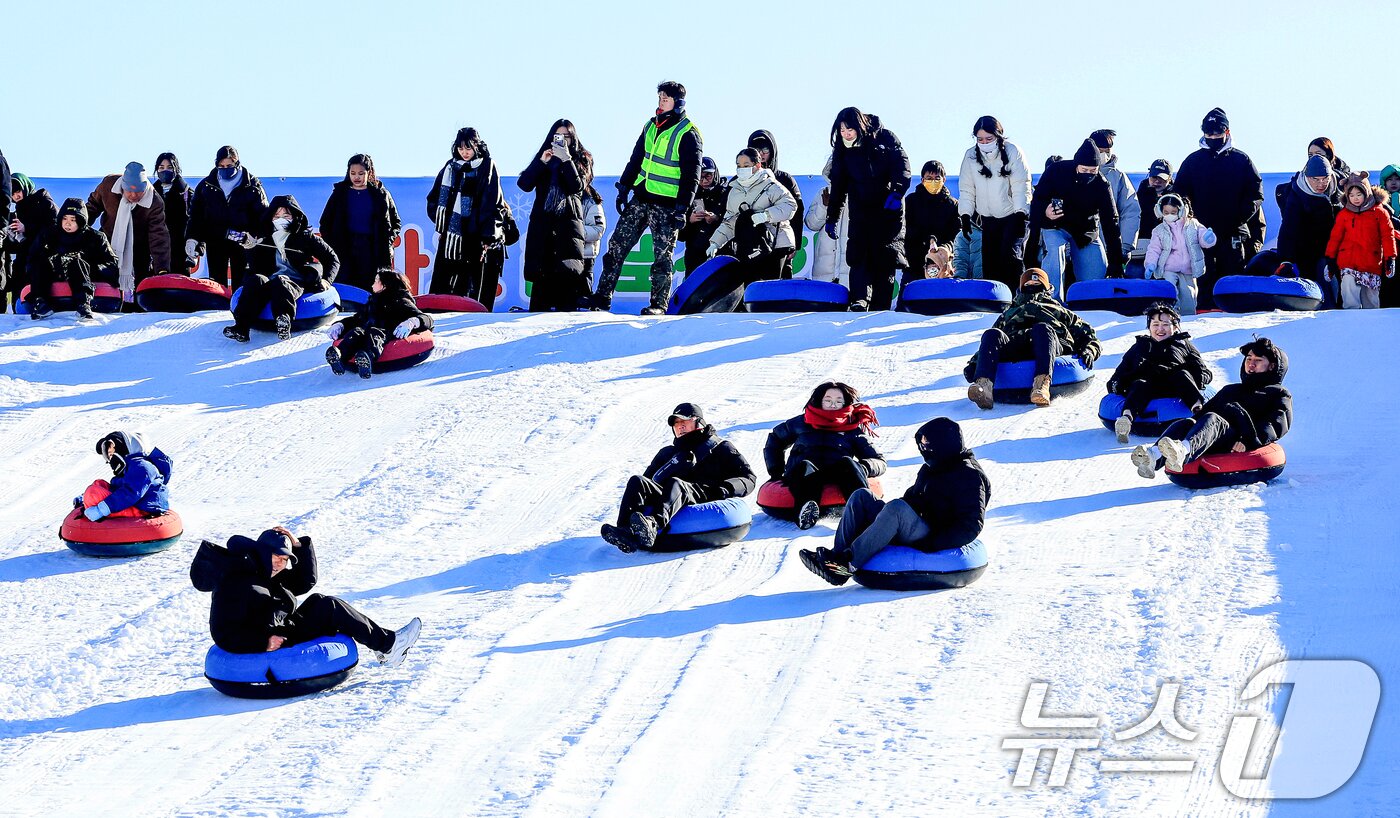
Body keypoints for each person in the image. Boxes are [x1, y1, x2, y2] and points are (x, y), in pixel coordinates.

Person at [798, 417, 989, 586]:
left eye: (928, 443)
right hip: (918, 523)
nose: (924, 448)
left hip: (932, 533)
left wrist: (933, 544)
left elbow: (972, 524)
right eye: (922, 443)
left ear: (944, 444)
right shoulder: (933, 467)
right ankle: (836, 558)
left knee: (897, 509)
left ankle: (848, 563)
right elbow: (913, 498)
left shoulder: (969, 476)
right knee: (861, 496)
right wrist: (887, 515)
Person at [198, 525, 421, 665]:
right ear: (263, 552)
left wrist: (299, 545)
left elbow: (305, 582)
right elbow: (222, 631)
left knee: (322, 602)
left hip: (282, 628)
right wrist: (262, 642)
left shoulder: (266, 575)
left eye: (285, 560)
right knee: (329, 608)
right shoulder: (237, 581)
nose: (281, 564)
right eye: (277, 557)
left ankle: (383, 646)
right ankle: (390, 645)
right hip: (271, 640)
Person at [589, 81, 703, 314]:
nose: (661, 101)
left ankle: (658, 305)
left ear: (678, 103)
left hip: (667, 205)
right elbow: (636, 158)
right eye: (660, 97)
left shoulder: (688, 132)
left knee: (662, 257)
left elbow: (692, 174)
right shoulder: (651, 126)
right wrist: (624, 187)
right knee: (616, 247)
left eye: (666, 98)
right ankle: (602, 298)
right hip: (641, 198)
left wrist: (683, 207)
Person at [600, 402, 757, 553]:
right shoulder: (667, 453)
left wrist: (724, 489)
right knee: (637, 481)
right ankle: (625, 531)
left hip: (706, 493)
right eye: (676, 423)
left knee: (677, 483)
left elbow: (749, 477)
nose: (680, 426)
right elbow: (647, 481)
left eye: (685, 421)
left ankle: (654, 525)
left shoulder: (720, 447)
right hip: (671, 498)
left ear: (699, 423)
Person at [1132, 338, 1290, 479]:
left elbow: (1275, 424)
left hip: (1242, 438)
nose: (1251, 364)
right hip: (1213, 438)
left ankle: (1183, 451)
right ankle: (1153, 457)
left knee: (1213, 418)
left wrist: (1248, 441)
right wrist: (1189, 425)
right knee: (1186, 422)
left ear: (1272, 366)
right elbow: (1201, 414)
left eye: (1258, 360)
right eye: (1248, 358)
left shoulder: (1278, 394)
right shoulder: (1231, 390)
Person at [964, 267, 1101, 409]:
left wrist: (1090, 350)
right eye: (1028, 285)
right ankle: (983, 386)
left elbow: (1090, 337)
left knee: (1042, 328)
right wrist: (975, 363)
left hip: (1050, 345)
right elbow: (991, 342)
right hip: (1016, 346)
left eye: (1037, 285)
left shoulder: (1060, 311)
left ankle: (1041, 385)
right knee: (992, 333)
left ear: (1046, 287)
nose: (1032, 288)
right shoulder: (1009, 313)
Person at [1172, 108, 1263, 310]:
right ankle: (1203, 313)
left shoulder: (1242, 160)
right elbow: (1179, 192)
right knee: (1202, 278)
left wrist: (1238, 218)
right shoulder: (1193, 161)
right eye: (1209, 133)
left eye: (1217, 133)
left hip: (1233, 232)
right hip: (1199, 233)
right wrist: (1189, 216)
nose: (1213, 137)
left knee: (1231, 280)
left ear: (1227, 132)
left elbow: (1255, 194)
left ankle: (1230, 319)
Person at [764, 382, 887, 530]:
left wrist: (863, 468)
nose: (833, 405)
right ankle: (807, 510)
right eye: (828, 400)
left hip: (836, 474)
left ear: (845, 403)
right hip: (804, 474)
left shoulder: (852, 428)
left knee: (848, 463)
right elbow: (775, 440)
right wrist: (775, 471)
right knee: (804, 465)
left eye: (838, 401)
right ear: (819, 400)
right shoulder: (802, 422)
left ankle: (864, 512)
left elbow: (878, 461)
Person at [824, 107, 912, 311]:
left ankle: (880, 306)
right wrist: (832, 217)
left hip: (888, 207)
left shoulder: (885, 137)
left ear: (860, 126)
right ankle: (859, 300)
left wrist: (897, 192)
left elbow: (902, 167)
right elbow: (838, 185)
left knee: (885, 256)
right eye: (842, 130)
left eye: (850, 129)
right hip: (860, 207)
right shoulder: (842, 149)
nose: (846, 134)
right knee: (858, 254)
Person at [223, 195, 339, 342]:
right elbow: (256, 266)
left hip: (295, 281)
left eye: (286, 215)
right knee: (255, 280)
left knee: (281, 281)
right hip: (269, 279)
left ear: (295, 216)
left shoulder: (305, 236)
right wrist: (250, 248)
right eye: (276, 215)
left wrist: (326, 280)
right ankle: (241, 328)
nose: (281, 219)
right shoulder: (264, 237)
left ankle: (283, 321)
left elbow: (332, 258)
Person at [1025, 139, 1125, 296]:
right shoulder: (1056, 171)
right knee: (1054, 253)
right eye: (1084, 169)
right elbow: (1037, 199)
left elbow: (1111, 221)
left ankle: (1091, 301)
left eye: (1093, 171)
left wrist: (1116, 262)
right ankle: (1052, 298)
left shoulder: (1101, 184)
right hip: (1055, 225)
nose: (1088, 174)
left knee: (1096, 272)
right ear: (1076, 164)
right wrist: (1045, 211)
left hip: (1085, 231)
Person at [1105, 304, 1212, 442]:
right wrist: (1120, 383)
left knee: (1182, 375)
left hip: (1175, 387)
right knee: (1139, 384)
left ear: (1175, 327)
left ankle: (1198, 413)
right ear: (1149, 327)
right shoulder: (1140, 346)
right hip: (1148, 386)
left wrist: (1195, 377)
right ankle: (1125, 420)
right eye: (1155, 324)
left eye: (1165, 325)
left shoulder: (1183, 344)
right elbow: (1118, 376)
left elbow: (1205, 372)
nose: (1160, 329)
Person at [518, 120, 590, 311]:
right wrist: (541, 162)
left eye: (566, 136)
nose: (562, 140)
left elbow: (577, 186)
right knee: (541, 289)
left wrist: (566, 160)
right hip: (543, 227)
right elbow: (524, 184)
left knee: (567, 286)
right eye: (558, 136)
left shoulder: (581, 158)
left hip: (567, 227)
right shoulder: (544, 158)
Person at [427, 127, 504, 303]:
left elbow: (491, 203)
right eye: (461, 148)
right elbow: (434, 199)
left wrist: (486, 236)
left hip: (474, 236)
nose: (464, 152)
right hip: (450, 237)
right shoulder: (449, 166)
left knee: (469, 285)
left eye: (468, 148)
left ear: (476, 146)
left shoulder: (486, 165)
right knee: (443, 283)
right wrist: (444, 224)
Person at [957, 115, 1032, 291]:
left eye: (989, 139)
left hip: (1013, 216)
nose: (984, 143)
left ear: (998, 136)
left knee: (1010, 257)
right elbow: (967, 189)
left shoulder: (1013, 152)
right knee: (990, 262)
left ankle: (1018, 297)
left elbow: (1021, 185)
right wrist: (966, 215)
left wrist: (1022, 213)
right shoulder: (970, 156)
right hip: (989, 219)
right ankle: (996, 302)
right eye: (980, 139)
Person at [705, 148, 797, 285]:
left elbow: (790, 205)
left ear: (757, 165)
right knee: (751, 287)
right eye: (738, 165)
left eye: (746, 166)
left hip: (776, 245)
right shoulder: (734, 191)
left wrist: (766, 215)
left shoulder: (771, 185)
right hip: (751, 246)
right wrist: (715, 243)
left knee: (770, 288)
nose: (741, 169)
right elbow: (730, 221)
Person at [85, 161, 172, 300]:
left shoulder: (154, 202)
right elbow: (91, 208)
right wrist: (77, 227)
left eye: (138, 192)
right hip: (108, 243)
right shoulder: (108, 185)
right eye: (129, 191)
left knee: (139, 288)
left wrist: (162, 269)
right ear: (122, 187)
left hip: (138, 250)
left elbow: (159, 237)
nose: (132, 195)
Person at [325, 267, 434, 378]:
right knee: (357, 332)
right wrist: (340, 325)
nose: (372, 284)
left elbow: (426, 318)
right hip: (369, 331)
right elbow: (358, 319)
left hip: (390, 333)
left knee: (375, 333)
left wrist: (412, 322)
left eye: (376, 281)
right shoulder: (373, 301)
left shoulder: (400, 300)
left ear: (384, 285)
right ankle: (340, 356)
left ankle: (367, 359)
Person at [187, 146, 268, 291]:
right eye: (221, 166)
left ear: (237, 164)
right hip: (216, 239)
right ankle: (217, 310)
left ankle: (240, 308)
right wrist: (192, 238)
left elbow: (263, 215)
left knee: (242, 281)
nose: (225, 169)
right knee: (217, 283)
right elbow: (196, 216)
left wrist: (255, 236)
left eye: (229, 166)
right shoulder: (206, 186)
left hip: (243, 242)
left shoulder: (252, 185)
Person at [318, 154, 402, 293]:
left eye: (361, 173)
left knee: (371, 285)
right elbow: (325, 222)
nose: (357, 177)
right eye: (353, 173)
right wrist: (333, 243)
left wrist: (387, 242)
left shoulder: (380, 194)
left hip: (372, 247)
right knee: (345, 283)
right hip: (345, 246)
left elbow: (395, 223)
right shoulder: (340, 194)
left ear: (369, 173)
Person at [28, 198, 118, 319]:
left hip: (86, 276)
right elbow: (32, 259)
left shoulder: (95, 238)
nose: (67, 223)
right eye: (65, 219)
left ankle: (84, 304)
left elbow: (112, 264)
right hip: (53, 276)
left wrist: (91, 266)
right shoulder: (48, 235)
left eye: (73, 220)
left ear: (80, 221)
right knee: (41, 262)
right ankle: (41, 302)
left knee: (76, 262)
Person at [1275, 154, 1342, 306]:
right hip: (1307, 252)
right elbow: (1288, 231)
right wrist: (1286, 260)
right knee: (1321, 271)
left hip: (1336, 251)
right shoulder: (1297, 195)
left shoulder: (1339, 192)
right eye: (1316, 179)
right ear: (1307, 177)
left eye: (1325, 178)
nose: (1321, 183)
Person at [1325, 172, 1397, 310]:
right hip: (1348, 261)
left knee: (1370, 300)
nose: (1355, 199)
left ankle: (1371, 323)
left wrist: (1390, 258)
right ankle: (1350, 317)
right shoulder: (1344, 215)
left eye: (1359, 194)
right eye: (1351, 195)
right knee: (1348, 287)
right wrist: (1330, 259)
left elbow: (1388, 236)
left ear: (1367, 192)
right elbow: (1335, 238)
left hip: (1371, 262)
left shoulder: (1379, 213)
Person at [1143, 192, 1217, 315]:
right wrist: (1150, 264)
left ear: (1182, 210)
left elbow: (1203, 238)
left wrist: (1208, 238)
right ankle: (1170, 313)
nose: (1169, 216)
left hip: (1189, 269)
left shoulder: (1193, 225)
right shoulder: (1159, 230)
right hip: (1169, 268)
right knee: (1170, 290)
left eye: (1173, 213)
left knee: (1189, 295)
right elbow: (1154, 249)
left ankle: (1188, 318)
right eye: (1166, 213)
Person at [76, 431, 173, 521]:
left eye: (111, 453)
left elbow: (131, 492)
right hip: (134, 504)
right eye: (108, 456)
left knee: (93, 493)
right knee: (99, 483)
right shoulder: (130, 466)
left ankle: (95, 511)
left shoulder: (141, 466)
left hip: (143, 510)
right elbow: (117, 489)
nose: (110, 459)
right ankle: (86, 503)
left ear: (121, 448)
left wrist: (100, 510)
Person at [747, 129, 805, 278]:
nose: (761, 154)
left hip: (780, 246)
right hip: (751, 246)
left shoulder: (785, 179)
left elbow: (797, 213)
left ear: (773, 151)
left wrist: (795, 245)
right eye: (756, 150)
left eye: (765, 149)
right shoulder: (740, 181)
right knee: (752, 290)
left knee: (779, 291)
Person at [4, 173, 58, 312]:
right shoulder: (20, 208)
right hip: (25, 254)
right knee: (18, 280)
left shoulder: (43, 200)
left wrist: (26, 227)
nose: (16, 196)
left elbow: (53, 226)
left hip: (43, 254)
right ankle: (18, 311)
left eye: (18, 191)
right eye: (12, 194)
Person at [1089, 130, 1141, 271]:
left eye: (1107, 151)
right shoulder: (1076, 173)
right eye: (1101, 150)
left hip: (1113, 249)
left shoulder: (1119, 177)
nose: (1104, 155)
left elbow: (1131, 212)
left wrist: (1125, 246)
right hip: (1084, 247)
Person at [903, 160, 960, 288]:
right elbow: (906, 230)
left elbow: (956, 234)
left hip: (943, 265)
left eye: (937, 178)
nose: (933, 182)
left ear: (944, 180)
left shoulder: (952, 205)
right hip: (914, 264)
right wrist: (929, 241)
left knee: (942, 303)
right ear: (922, 180)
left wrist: (944, 249)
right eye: (929, 178)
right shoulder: (911, 201)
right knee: (907, 303)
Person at [803, 154, 850, 287]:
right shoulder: (823, 193)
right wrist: (825, 207)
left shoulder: (861, 195)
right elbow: (811, 224)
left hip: (850, 272)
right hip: (824, 273)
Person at [680, 157, 728, 278]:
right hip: (695, 251)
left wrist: (716, 218)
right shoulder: (688, 194)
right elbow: (679, 233)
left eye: (708, 175)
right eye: (700, 176)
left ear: (715, 174)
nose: (704, 180)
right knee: (694, 285)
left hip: (721, 248)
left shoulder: (725, 193)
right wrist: (689, 220)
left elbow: (733, 220)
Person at [153, 153, 194, 271]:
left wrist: (196, 249)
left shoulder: (187, 193)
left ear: (176, 169)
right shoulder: (150, 195)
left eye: (169, 167)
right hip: (156, 252)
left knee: (180, 286)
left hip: (180, 252)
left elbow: (198, 221)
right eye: (161, 167)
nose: (165, 170)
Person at [1136, 159, 1174, 252]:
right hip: (1141, 246)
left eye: (1161, 178)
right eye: (1154, 177)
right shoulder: (1138, 196)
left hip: (1168, 248)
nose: (1157, 181)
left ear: (1169, 178)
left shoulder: (1176, 199)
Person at [581, 179, 606, 290]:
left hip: (585, 257)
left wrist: (573, 231)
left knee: (583, 295)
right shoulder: (560, 198)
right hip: (562, 256)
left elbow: (598, 230)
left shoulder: (591, 202)